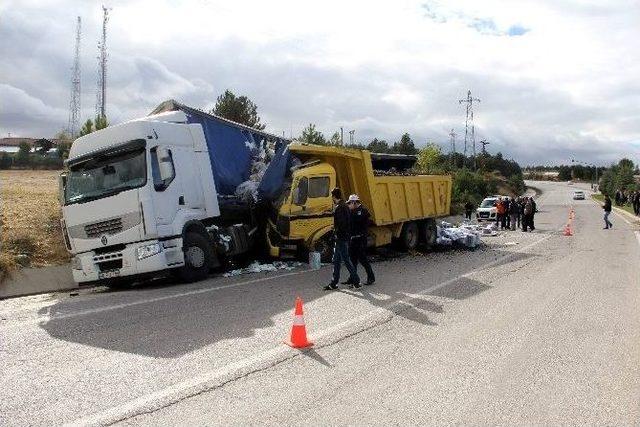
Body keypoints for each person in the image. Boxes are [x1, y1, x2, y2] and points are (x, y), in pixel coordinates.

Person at [323, 188, 361, 290]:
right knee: (336, 260)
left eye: (332, 196)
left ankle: (356, 281)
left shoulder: (340, 207)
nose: (331, 198)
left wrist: (336, 233)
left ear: (334, 196)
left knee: (346, 260)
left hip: (341, 238)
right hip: (343, 237)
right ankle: (334, 283)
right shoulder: (345, 206)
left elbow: (341, 224)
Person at [346, 194, 375, 286]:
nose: (349, 205)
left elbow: (359, 220)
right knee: (352, 260)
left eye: (350, 203)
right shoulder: (353, 211)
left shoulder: (362, 211)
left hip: (360, 239)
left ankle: (371, 277)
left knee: (363, 260)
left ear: (354, 202)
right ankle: (352, 278)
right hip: (353, 239)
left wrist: (351, 212)